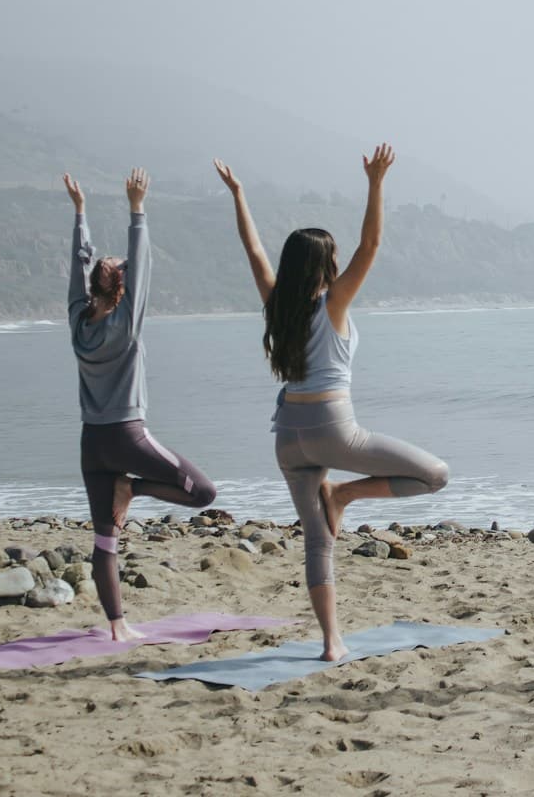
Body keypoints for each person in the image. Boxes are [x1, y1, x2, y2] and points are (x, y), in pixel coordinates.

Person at [215, 147, 449, 662]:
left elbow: (253, 251)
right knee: (435, 475)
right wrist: (375, 182)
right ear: (326, 264)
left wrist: (238, 195)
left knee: (316, 543)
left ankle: (331, 643)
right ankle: (343, 494)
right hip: (332, 429)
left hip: (287, 439)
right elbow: (372, 244)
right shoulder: (333, 303)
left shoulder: (277, 305)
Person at [65, 168, 217, 642]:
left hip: (93, 444)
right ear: (123, 290)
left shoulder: (77, 320)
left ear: (93, 288)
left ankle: (117, 626)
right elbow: (142, 261)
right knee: (203, 493)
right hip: (129, 438)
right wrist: (137, 209)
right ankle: (134, 490)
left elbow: (78, 264)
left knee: (104, 539)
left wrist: (81, 214)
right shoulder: (127, 323)